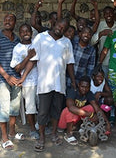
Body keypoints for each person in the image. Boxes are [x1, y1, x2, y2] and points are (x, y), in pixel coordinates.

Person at [17, 18, 76, 152]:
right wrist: (24, 77)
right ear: (54, 24)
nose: (60, 29)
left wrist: (73, 80)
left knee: (56, 111)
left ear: (66, 31)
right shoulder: (41, 38)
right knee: (43, 112)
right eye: (59, 26)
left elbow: (70, 63)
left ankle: (54, 133)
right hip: (44, 83)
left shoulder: (66, 42)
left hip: (59, 84)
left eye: (63, 28)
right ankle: (42, 137)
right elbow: (33, 60)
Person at [58, 76, 111, 145]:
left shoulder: (89, 93)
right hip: (64, 121)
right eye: (82, 86)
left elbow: (96, 108)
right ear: (78, 85)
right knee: (70, 110)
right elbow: (71, 107)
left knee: (91, 107)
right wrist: (90, 115)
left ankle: (84, 127)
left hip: (76, 119)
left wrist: (107, 123)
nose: (84, 89)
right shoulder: (72, 91)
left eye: (87, 87)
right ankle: (68, 134)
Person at [10, 23, 39, 140]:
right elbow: (17, 68)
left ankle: (40, 126)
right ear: (19, 34)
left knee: (42, 106)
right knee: (30, 107)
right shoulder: (17, 48)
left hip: (41, 80)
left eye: (28, 31)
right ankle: (32, 129)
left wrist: (30, 57)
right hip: (28, 83)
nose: (25, 33)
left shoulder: (37, 44)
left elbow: (36, 61)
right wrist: (27, 57)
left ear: (31, 33)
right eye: (23, 31)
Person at [0, 14, 23, 150]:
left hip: (16, 79)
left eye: (11, 20)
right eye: (6, 20)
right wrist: (6, 75)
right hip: (2, 79)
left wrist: (20, 78)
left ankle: (12, 132)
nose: (7, 22)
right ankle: (4, 137)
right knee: (3, 108)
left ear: (15, 23)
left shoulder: (17, 40)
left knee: (14, 108)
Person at [91, 6, 116, 78]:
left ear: (113, 14)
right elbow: (92, 42)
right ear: (103, 15)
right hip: (103, 60)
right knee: (104, 81)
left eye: (110, 13)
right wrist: (101, 34)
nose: (108, 15)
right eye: (106, 13)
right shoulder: (100, 25)